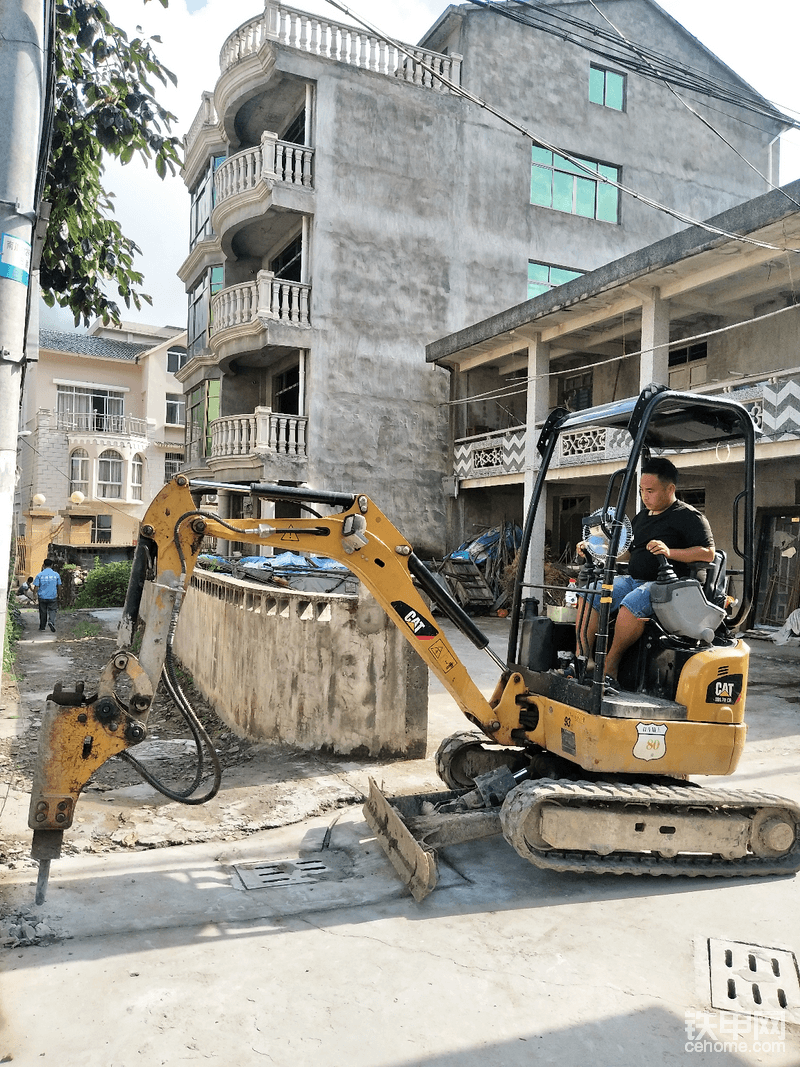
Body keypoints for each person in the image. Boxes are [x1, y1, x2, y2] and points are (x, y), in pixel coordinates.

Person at [575, 458, 715, 690]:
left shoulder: (690, 516)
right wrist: (594, 550)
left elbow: (708, 553)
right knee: (590, 591)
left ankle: (610, 664)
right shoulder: (641, 518)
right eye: (641, 490)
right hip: (634, 579)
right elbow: (628, 554)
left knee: (632, 603)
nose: (644, 496)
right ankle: (583, 660)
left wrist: (669, 552)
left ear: (670, 489)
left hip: (671, 585)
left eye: (650, 491)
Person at [33, 558, 62, 633]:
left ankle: (42, 627)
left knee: (43, 612)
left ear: (43, 565)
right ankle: (51, 621)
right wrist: (59, 595)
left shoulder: (40, 575)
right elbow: (59, 586)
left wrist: (34, 595)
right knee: (52, 610)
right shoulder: (56, 575)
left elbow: (36, 586)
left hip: (42, 597)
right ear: (52, 565)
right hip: (52, 596)